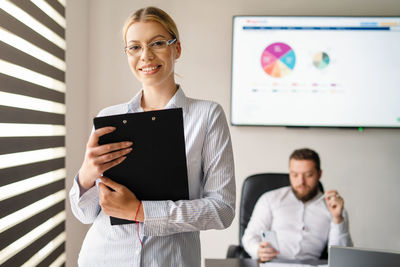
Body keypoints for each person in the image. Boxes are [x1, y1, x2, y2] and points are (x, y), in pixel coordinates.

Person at [69, 6, 235, 267]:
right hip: (103, 257)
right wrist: (87, 176)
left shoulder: (207, 115)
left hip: (170, 260)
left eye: (157, 43)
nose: (145, 55)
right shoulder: (109, 117)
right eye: (134, 47)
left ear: (176, 48)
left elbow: (222, 210)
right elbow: (84, 214)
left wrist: (140, 211)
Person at [242, 148, 352, 262]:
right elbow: (250, 237)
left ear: (319, 174)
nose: (301, 182)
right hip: (273, 263)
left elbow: (341, 257)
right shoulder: (270, 199)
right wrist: (257, 250)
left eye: (308, 175)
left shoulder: (333, 207)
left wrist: (338, 219)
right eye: (295, 175)